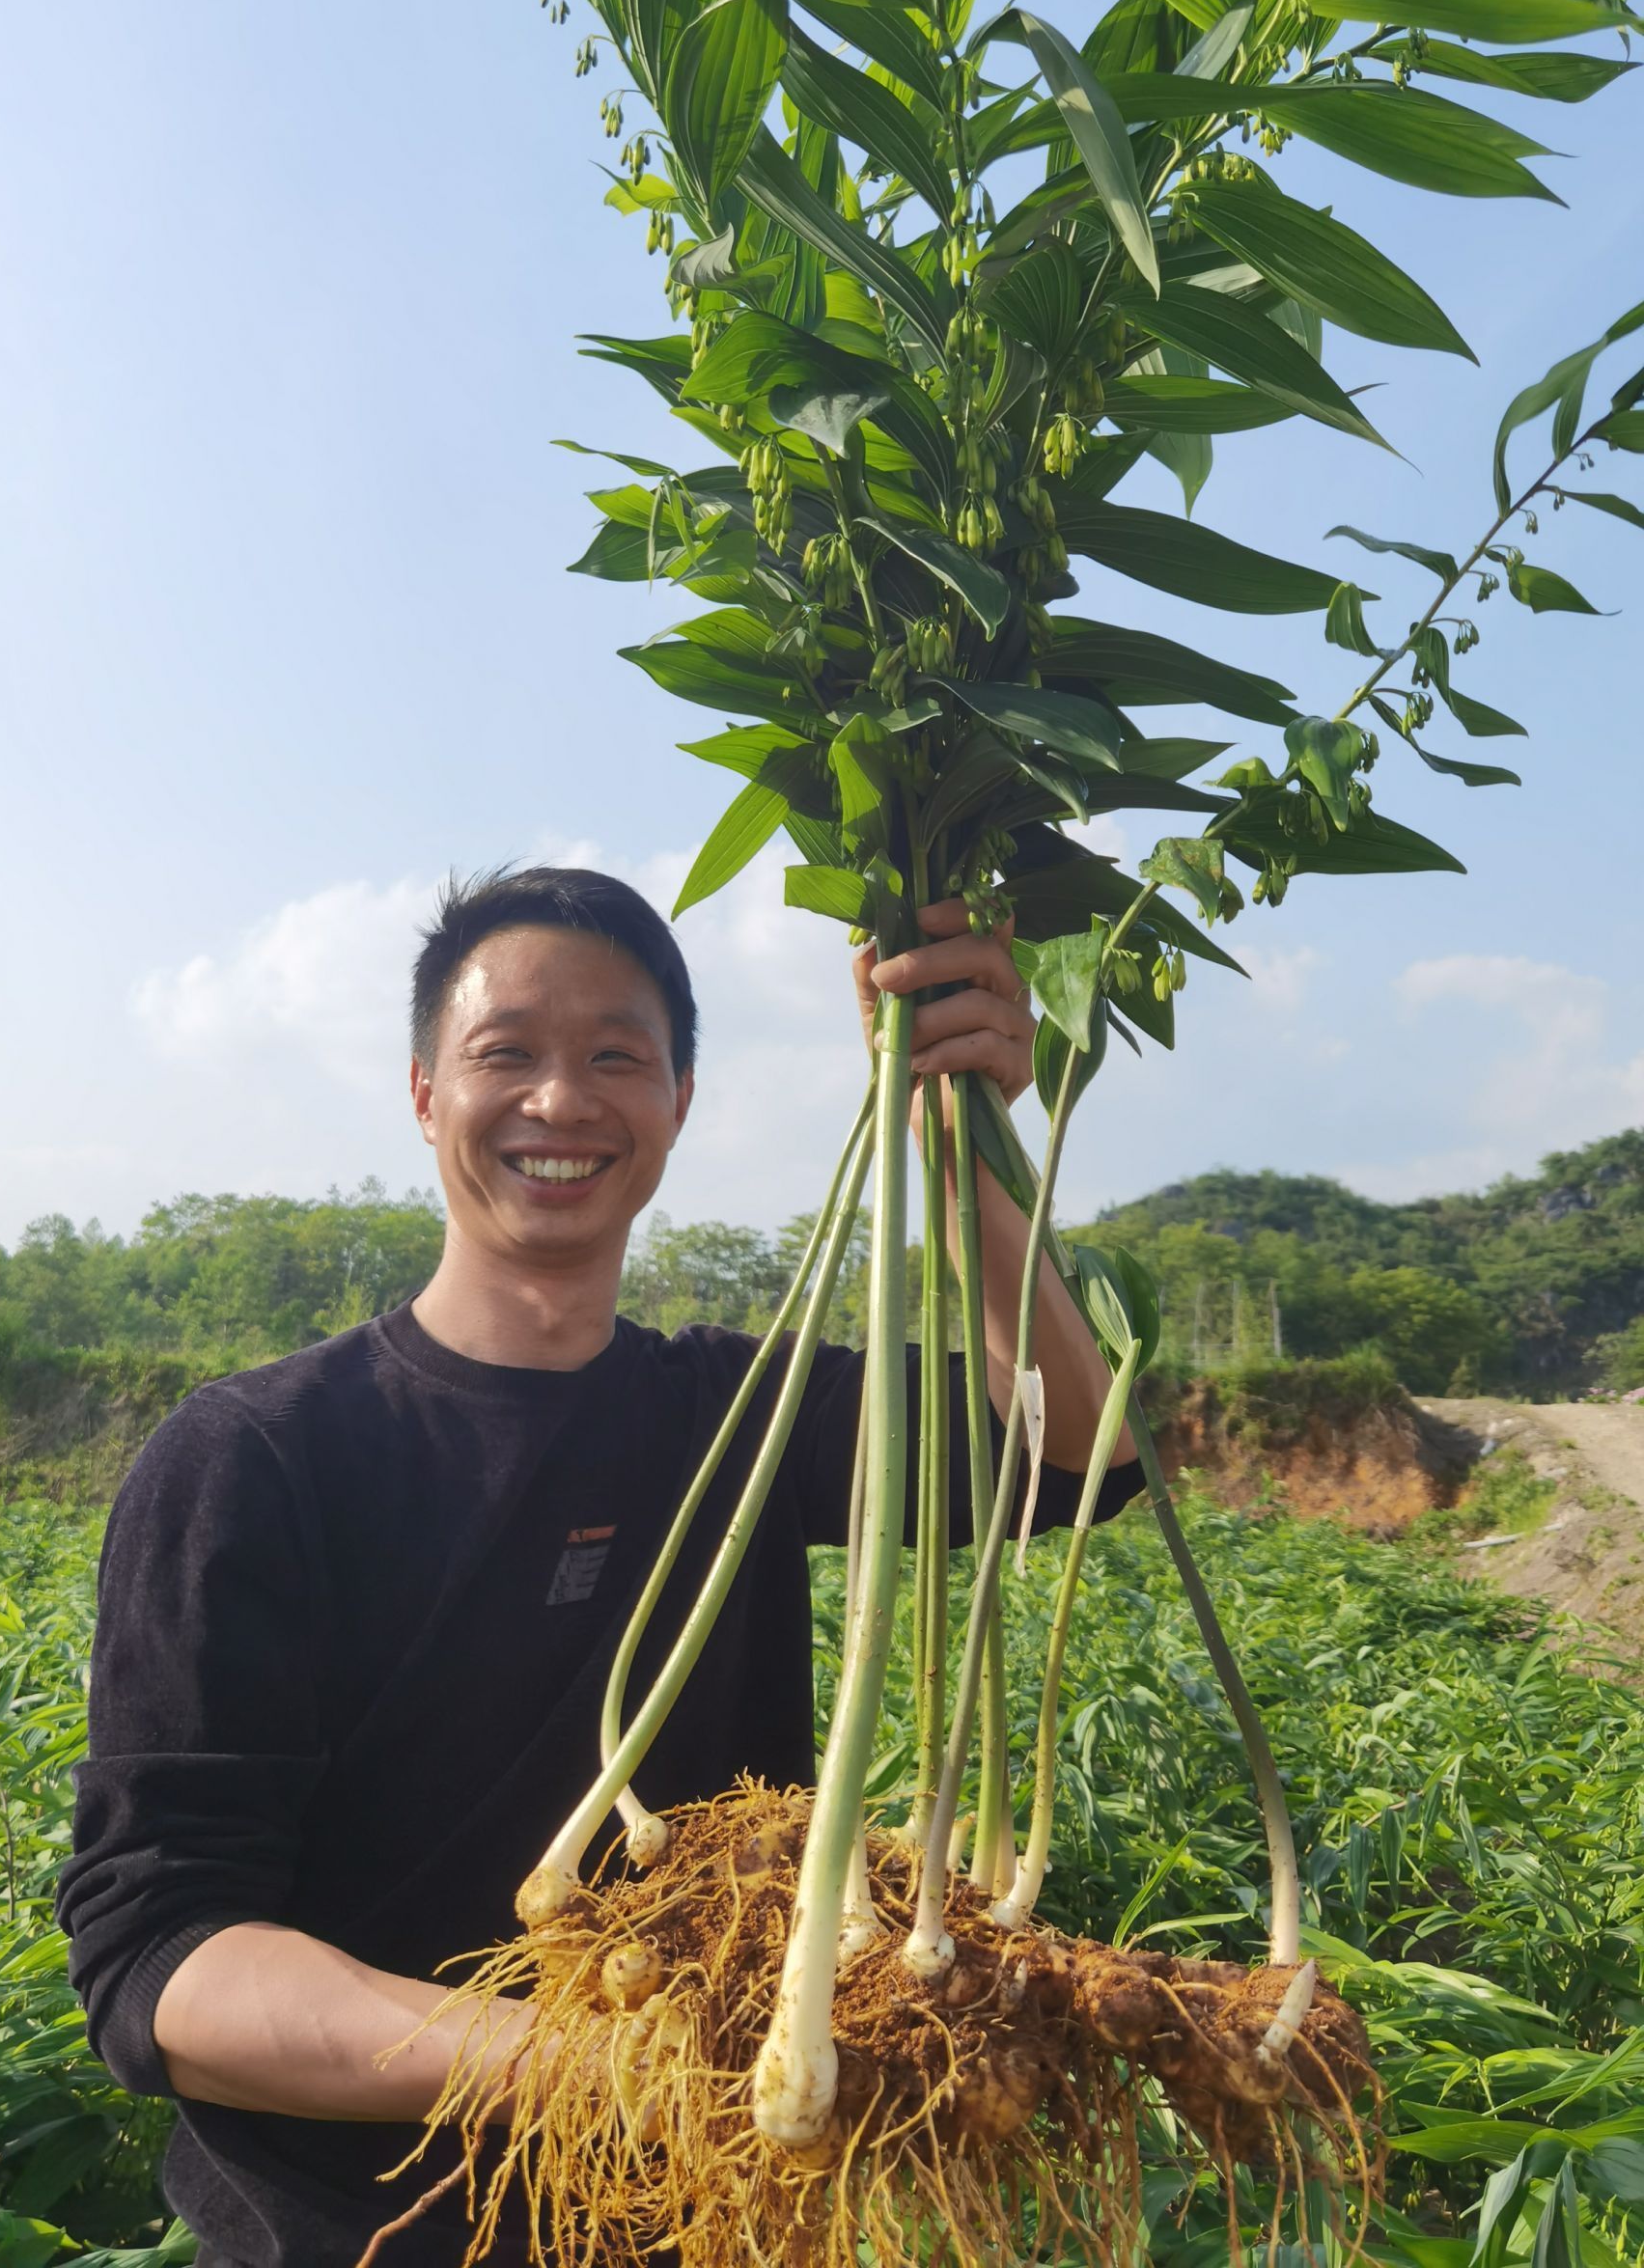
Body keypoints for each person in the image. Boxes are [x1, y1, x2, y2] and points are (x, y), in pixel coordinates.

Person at [56, 865, 1142, 2268]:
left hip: (711, 2221)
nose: (561, 1103)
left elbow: (1071, 1457)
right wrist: (596, 2068)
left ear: (679, 1105)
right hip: (361, 2234)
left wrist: (963, 1145)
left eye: (616, 1058)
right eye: (506, 1054)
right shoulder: (257, 1456)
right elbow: (167, 1958)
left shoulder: (740, 1422)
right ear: (424, 1094)